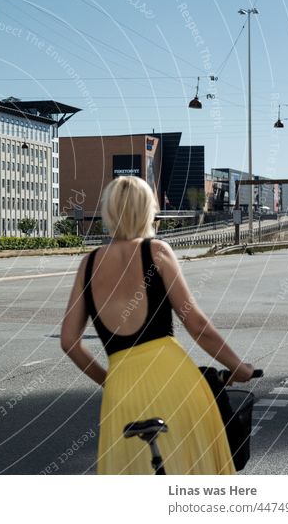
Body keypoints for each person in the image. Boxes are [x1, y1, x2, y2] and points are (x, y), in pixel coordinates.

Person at [60, 176, 255, 474]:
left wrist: (109, 381)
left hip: (122, 388)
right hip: (173, 379)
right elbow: (196, 324)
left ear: (109, 211)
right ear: (147, 211)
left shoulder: (88, 264)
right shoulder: (156, 251)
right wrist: (238, 367)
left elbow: (69, 341)